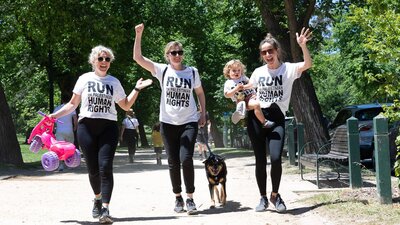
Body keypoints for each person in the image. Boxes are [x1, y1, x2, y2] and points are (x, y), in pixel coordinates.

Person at [49, 45, 152, 224]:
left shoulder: (114, 82)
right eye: (100, 59)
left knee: (105, 167)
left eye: (107, 59)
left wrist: (136, 89)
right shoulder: (84, 79)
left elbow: (126, 106)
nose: (104, 62)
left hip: (108, 128)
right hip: (86, 127)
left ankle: (105, 208)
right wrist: (54, 116)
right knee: (93, 169)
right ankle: (97, 198)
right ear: (93, 61)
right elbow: (73, 105)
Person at [133, 23, 206, 215]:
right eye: (173, 53)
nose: (177, 55)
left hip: (189, 121)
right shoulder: (162, 70)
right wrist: (138, 35)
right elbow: (138, 58)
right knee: (173, 161)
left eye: (179, 52)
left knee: (187, 159)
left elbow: (199, 92)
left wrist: (203, 111)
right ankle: (178, 197)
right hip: (167, 122)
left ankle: (190, 198)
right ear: (167, 55)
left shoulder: (192, 72)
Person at [247, 28, 312, 213]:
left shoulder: (288, 69)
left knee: (275, 158)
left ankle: (275, 195)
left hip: (277, 118)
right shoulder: (258, 72)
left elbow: (307, 64)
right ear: (262, 55)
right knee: (260, 160)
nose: (268, 54)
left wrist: (303, 46)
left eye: (270, 51)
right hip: (257, 118)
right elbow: (248, 90)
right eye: (264, 52)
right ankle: (263, 198)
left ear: (277, 51)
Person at [223, 59, 274, 128]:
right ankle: (264, 122)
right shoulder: (228, 83)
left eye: (239, 70)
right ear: (228, 72)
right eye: (234, 71)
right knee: (255, 104)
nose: (236, 72)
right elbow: (227, 95)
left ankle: (241, 113)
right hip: (242, 100)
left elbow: (252, 84)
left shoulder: (243, 78)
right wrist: (236, 89)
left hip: (252, 96)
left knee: (265, 99)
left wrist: (248, 89)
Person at [53, 93, 78, 171]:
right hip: (69, 130)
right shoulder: (71, 109)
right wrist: (75, 127)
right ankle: (70, 164)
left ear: (62, 100)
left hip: (59, 130)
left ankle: (61, 165)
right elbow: (75, 119)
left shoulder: (57, 108)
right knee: (70, 148)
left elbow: (53, 120)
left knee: (60, 148)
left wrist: (54, 128)